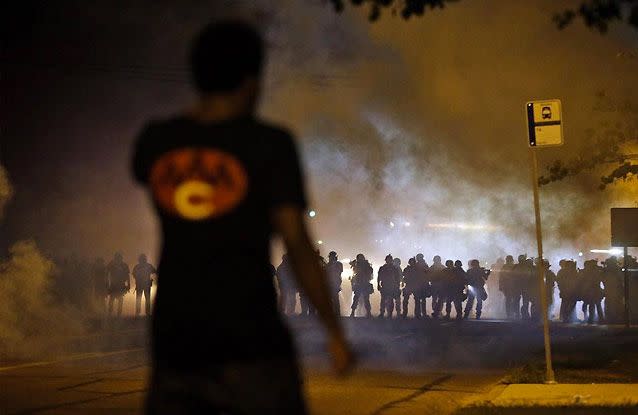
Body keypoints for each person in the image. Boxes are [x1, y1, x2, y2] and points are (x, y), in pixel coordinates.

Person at [131, 21, 352, 414]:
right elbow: (297, 243)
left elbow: (148, 170)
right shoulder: (269, 145)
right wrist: (334, 332)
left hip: (175, 343)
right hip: (251, 342)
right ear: (252, 81)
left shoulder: (156, 141)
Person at [106, 252, 131, 318]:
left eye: (119, 257)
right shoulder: (112, 264)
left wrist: (129, 284)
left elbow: (127, 275)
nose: (118, 259)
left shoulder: (124, 265)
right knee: (112, 298)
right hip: (114, 284)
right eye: (117, 257)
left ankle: (118, 313)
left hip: (121, 284)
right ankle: (110, 313)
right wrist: (107, 284)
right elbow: (106, 273)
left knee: (119, 299)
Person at [377, 254, 401, 318]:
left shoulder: (394, 268)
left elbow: (397, 278)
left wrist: (397, 286)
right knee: (383, 300)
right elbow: (379, 277)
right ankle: (382, 313)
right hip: (385, 285)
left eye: (389, 260)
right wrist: (378, 285)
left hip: (392, 286)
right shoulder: (382, 268)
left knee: (390, 300)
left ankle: (389, 313)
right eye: (388, 260)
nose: (388, 261)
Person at [581, 259, 605, 324]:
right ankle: (599, 318)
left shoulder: (590, 271)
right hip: (595, 289)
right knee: (597, 305)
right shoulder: (597, 271)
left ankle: (592, 319)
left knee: (593, 305)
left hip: (591, 290)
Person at [602, 256, 624, 324]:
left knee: (610, 304)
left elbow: (603, 279)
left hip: (610, 290)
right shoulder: (617, 270)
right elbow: (622, 279)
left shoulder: (606, 270)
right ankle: (615, 318)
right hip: (616, 290)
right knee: (616, 304)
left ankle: (610, 318)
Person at [499, 255, 519, 319]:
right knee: (514, 300)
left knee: (508, 300)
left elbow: (501, 278)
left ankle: (509, 314)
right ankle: (514, 313)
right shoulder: (515, 266)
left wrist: (501, 287)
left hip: (508, 287)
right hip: (513, 286)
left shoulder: (504, 267)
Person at [325, 251, 344, 316]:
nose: (330, 258)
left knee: (335, 298)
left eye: (331, 257)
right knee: (331, 298)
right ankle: (332, 312)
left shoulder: (338, 264)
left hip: (335, 283)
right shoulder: (328, 264)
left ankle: (337, 313)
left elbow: (339, 271)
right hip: (329, 282)